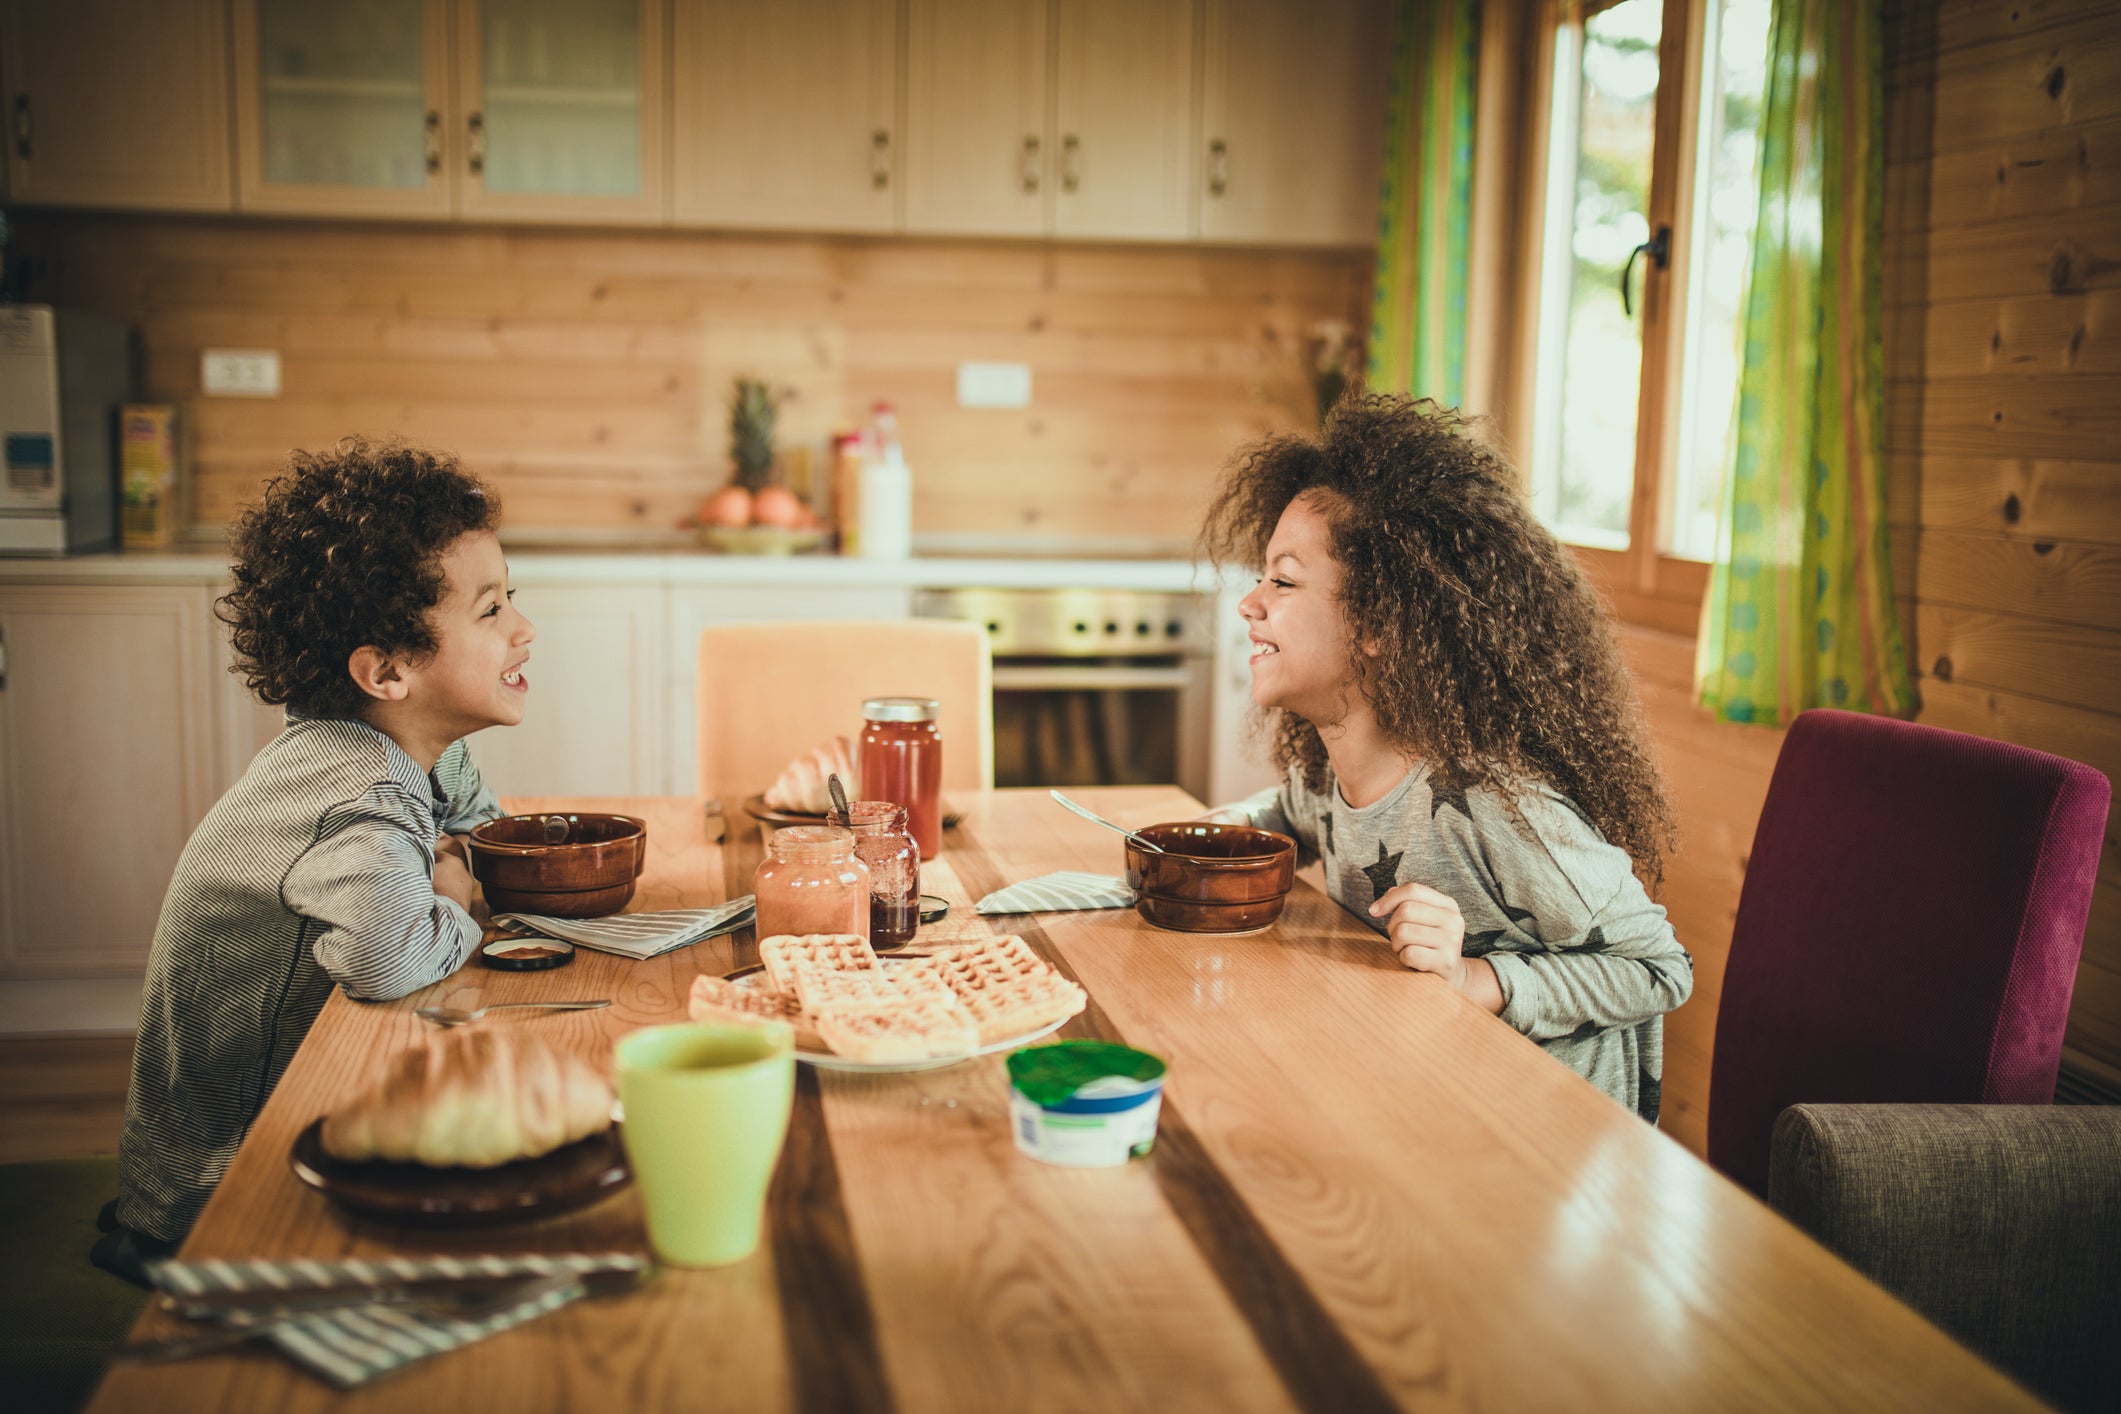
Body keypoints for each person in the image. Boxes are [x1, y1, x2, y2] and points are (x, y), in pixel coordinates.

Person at [93, 439, 534, 1281]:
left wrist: (458, 864)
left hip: (275, 1137)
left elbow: (475, 832)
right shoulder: (352, 788)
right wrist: (456, 901)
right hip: (229, 1193)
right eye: (489, 611)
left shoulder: (412, 749)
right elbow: (383, 953)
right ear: (387, 671)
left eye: (512, 599)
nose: (523, 628)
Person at [1203, 393, 1691, 1121]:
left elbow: (1656, 969)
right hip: (1426, 1100)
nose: (1249, 603)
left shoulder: (1500, 808)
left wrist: (1473, 978)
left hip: (1540, 1155)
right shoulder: (1321, 771)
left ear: (1376, 623)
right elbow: (1288, 817)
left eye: (1281, 578)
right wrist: (1221, 830)